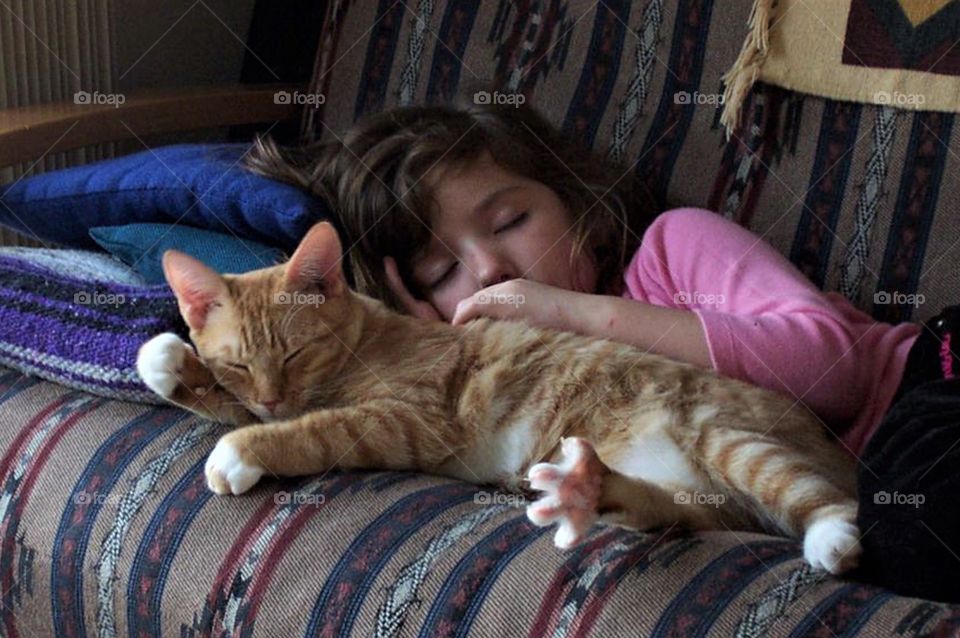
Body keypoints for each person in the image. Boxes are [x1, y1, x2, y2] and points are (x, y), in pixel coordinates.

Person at [245, 100, 960, 602]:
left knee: (916, 512)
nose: (490, 269)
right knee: (904, 538)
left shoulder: (674, 250)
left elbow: (832, 367)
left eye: (512, 220)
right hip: (839, 489)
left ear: (575, 201)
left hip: (927, 380)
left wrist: (573, 313)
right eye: (440, 273)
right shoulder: (518, 394)